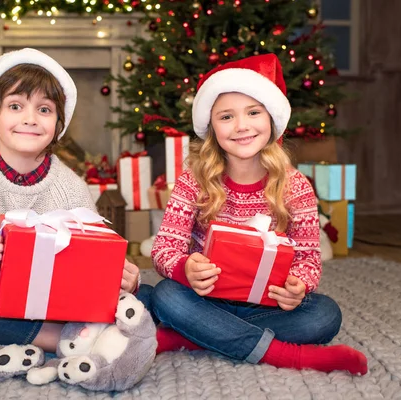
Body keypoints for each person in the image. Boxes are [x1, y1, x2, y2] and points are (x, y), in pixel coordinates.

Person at [0, 48, 146, 380]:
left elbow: (94, 258)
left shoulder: (71, 185)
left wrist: (124, 278)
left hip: (58, 301)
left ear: (57, 124)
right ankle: (62, 341)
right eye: (16, 106)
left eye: (44, 109)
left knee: (150, 296)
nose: (30, 118)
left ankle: (0, 337)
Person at [150, 53, 367, 375]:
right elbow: (163, 249)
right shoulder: (192, 181)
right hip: (207, 297)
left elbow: (309, 260)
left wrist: (299, 286)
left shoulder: (296, 186)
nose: (241, 126)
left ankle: (196, 335)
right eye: (226, 117)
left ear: (272, 120)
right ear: (211, 127)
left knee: (324, 314)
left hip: (268, 304)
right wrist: (184, 268)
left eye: (253, 112)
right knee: (165, 295)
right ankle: (287, 355)